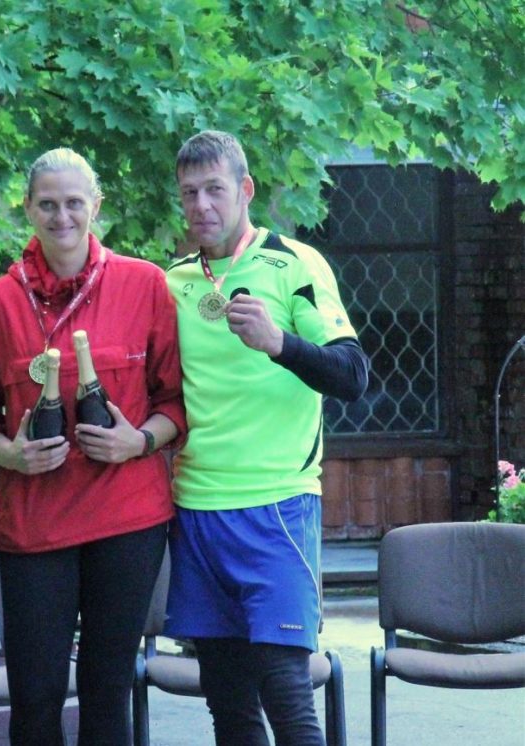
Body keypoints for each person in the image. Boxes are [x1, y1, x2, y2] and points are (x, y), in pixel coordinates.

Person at [0, 148, 185, 745]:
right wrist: (9, 454)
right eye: (47, 204)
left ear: (96, 206)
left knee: (107, 691)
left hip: (127, 520)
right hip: (34, 525)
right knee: (35, 698)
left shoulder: (145, 284)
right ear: (27, 209)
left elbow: (175, 403)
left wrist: (138, 440)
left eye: (73, 203)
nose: (61, 216)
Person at [163, 130, 369, 746]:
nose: (202, 205)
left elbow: (353, 375)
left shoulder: (295, 264)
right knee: (227, 706)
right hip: (197, 509)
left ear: (246, 190)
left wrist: (279, 343)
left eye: (215, 190)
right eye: (190, 193)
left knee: (286, 695)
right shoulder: (172, 281)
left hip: (277, 506)